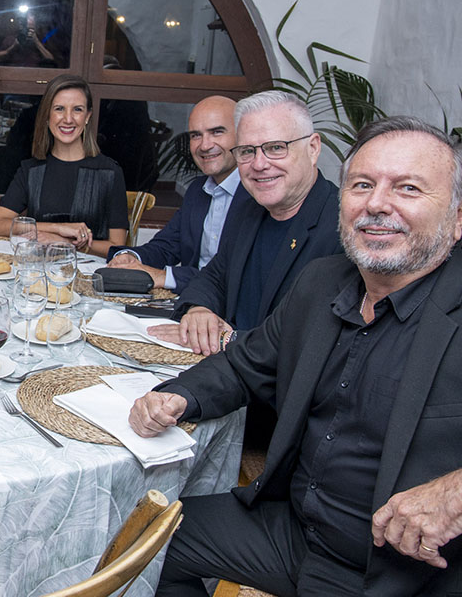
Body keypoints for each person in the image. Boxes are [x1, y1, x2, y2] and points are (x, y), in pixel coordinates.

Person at [130, 116, 462, 596]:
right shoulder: (322, 282)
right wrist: (177, 397)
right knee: (148, 539)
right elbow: (244, 364)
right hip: (294, 532)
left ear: (456, 220)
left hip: (407, 573)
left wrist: (455, 493)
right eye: (362, 185)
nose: (376, 204)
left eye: (408, 188)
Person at [149, 90, 342, 356]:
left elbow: (315, 341)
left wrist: (230, 340)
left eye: (276, 147)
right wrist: (199, 309)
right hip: (225, 371)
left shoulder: (344, 228)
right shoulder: (250, 209)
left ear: (313, 148)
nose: (259, 164)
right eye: (247, 151)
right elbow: (215, 276)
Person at [107, 95, 253, 293]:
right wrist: (130, 257)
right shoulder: (197, 190)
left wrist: (162, 276)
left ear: (242, 135)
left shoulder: (258, 194)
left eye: (217, 132)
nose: (205, 145)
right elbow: (167, 245)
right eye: (196, 135)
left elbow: (237, 277)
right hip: (191, 301)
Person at [0, 74, 128, 255]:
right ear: (47, 116)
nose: (68, 119)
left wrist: (64, 242)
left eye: (77, 109)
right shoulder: (31, 170)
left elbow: (118, 248)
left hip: (89, 278)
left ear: (87, 116)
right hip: (37, 272)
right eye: (59, 109)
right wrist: (58, 228)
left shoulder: (110, 172)